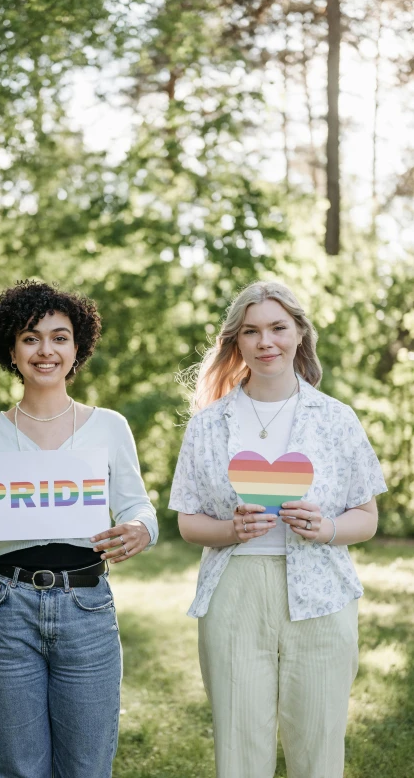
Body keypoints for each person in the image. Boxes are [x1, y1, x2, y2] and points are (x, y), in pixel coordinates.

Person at [169, 280, 386, 778]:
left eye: (277, 328)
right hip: (234, 596)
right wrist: (231, 530)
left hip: (322, 596)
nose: (266, 341)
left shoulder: (337, 419)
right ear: (236, 341)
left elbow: (367, 517)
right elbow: (187, 520)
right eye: (251, 331)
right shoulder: (208, 424)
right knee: (240, 747)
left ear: (299, 334)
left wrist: (327, 526)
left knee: (318, 746)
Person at [0, 279, 158, 778]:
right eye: (31, 337)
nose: (46, 350)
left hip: (86, 605)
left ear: (77, 346)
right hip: (7, 607)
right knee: (19, 767)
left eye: (59, 337)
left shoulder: (109, 425)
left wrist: (138, 530)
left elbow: (139, 508)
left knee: (86, 766)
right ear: (11, 349)